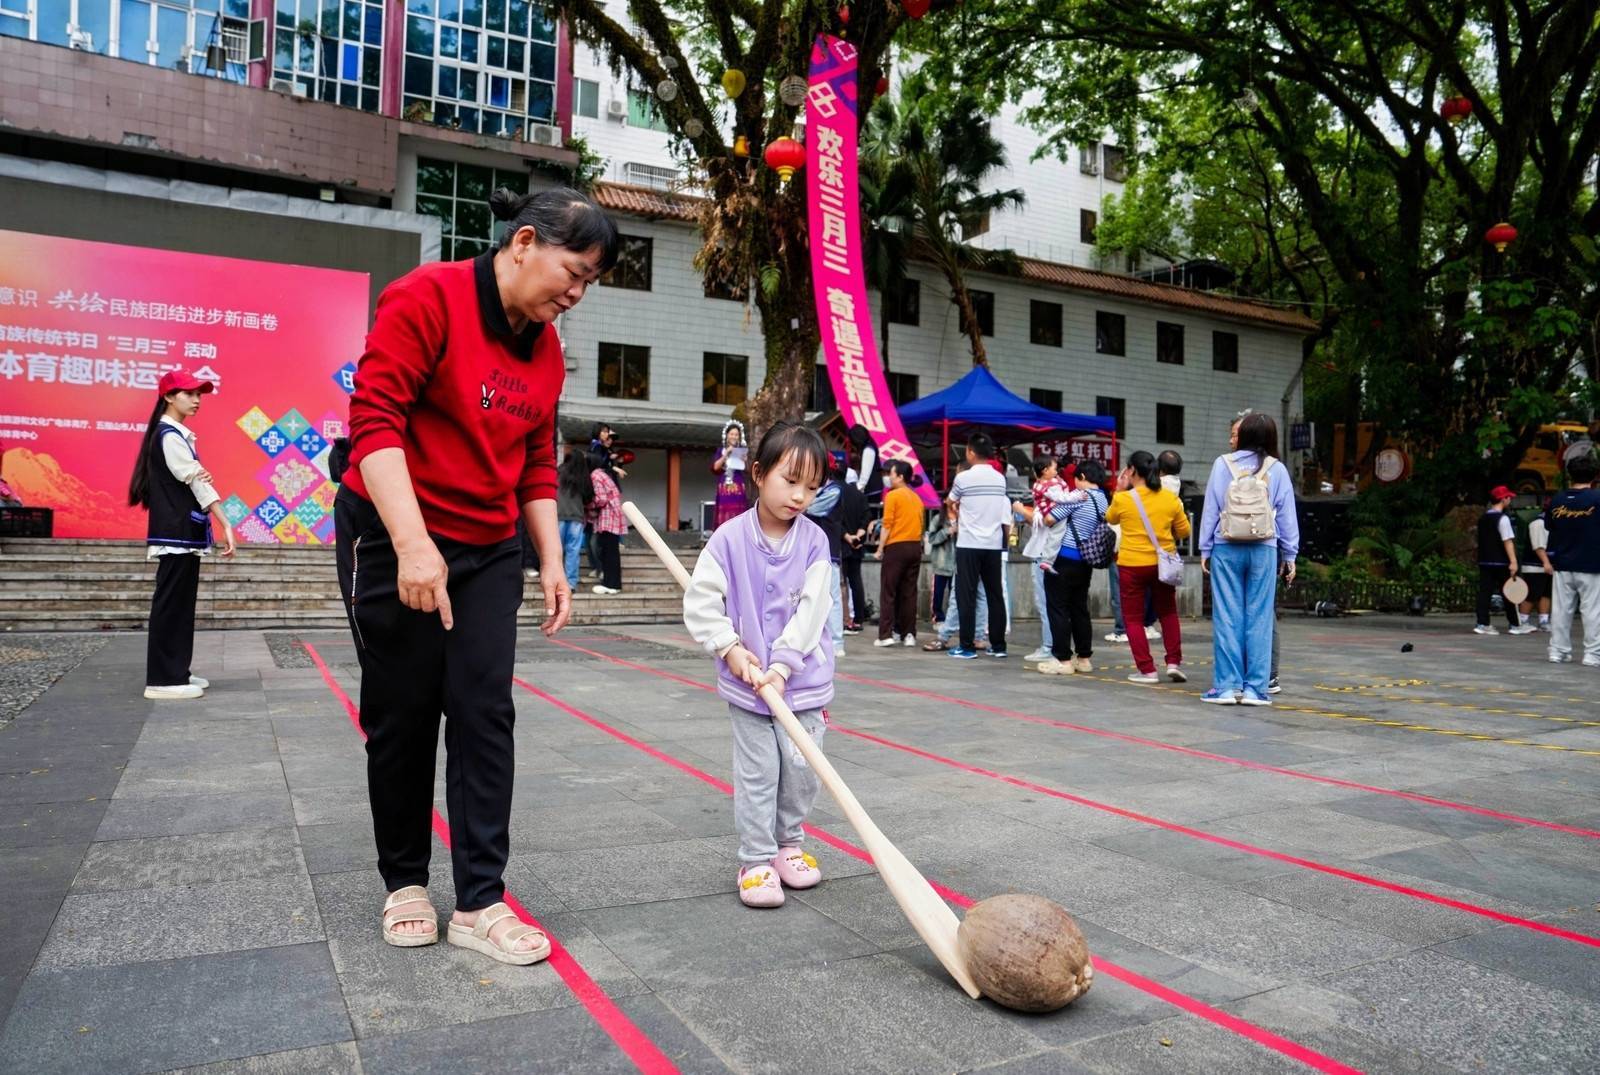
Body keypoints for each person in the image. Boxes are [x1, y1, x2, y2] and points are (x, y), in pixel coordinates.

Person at [335, 185, 616, 965]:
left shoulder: (548, 349)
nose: (576, 292)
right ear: (523, 243)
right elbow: (375, 424)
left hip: (487, 545)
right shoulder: (427, 298)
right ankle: (405, 882)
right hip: (394, 532)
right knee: (403, 711)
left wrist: (554, 559)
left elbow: (531, 460)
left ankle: (482, 901)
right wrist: (412, 540)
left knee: (485, 712)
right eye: (574, 270)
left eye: (590, 282)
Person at [683, 421, 834, 907]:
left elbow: (813, 610)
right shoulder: (727, 540)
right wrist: (729, 648)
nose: (799, 496)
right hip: (748, 686)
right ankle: (755, 857)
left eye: (811, 488)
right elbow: (702, 602)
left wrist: (785, 665)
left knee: (802, 769)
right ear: (758, 473)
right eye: (789, 481)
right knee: (758, 771)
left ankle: (789, 844)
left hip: (804, 682)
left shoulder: (814, 542)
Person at [128, 369, 238, 701]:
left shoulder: (174, 434)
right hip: (176, 534)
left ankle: (177, 672)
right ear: (168, 397)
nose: (196, 400)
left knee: (179, 606)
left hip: (182, 533)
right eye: (189, 394)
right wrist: (226, 523)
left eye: (199, 395)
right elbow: (197, 482)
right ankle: (163, 680)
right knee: (172, 606)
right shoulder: (170, 436)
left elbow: (197, 482)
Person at [1197, 414, 1299, 706]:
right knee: (1260, 616)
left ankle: (1226, 687)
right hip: (1264, 547)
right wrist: (1290, 555)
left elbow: (1211, 508)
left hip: (1226, 546)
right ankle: (1256, 688)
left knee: (1227, 616)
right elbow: (1287, 515)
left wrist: (1205, 549)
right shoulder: (1277, 469)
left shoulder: (1222, 464)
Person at [1105, 451, 1192, 683]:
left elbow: (1110, 518)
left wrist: (1119, 490)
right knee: (1168, 612)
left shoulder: (1124, 499)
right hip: (1162, 564)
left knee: (1133, 619)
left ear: (1132, 470)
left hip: (1132, 565)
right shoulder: (1169, 498)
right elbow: (1185, 531)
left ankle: (1147, 669)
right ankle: (1173, 662)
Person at [1038, 461, 1109, 675]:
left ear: (1083, 477)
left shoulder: (1079, 496)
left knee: (1058, 608)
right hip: (1085, 561)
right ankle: (1084, 658)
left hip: (1064, 558)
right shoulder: (1104, 499)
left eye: (1076, 479)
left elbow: (1049, 519)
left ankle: (1063, 660)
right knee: (1079, 608)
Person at [949, 432, 1011, 659]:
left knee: (967, 594)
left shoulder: (963, 478)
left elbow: (951, 501)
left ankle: (966, 646)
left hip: (968, 544)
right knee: (995, 595)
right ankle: (998, 645)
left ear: (971, 453)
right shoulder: (999, 478)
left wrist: (955, 511)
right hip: (993, 545)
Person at [1545, 451, 1600, 666]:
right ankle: (1592, 654)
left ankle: (1558, 651)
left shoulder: (1557, 500)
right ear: (1594, 475)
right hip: (1592, 563)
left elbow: (1551, 528)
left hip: (1563, 563)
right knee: (1592, 611)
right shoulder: (1597, 499)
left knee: (1560, 610)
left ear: (1570, 475)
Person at [1012, 455, 1064, 661]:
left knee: (1045, 602)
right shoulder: (1060, 488)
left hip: (1044, 550)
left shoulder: (1048, 490)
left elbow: (1042, 521)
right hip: (1056, 551)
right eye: (1054, 468)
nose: (1056, 471)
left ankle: (1048, 646)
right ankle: (1055, 646)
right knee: (1056, 603)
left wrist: (1020, 510)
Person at [874, 460, 926, 648]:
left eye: (891, 474)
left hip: (896, 546)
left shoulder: (893, 496)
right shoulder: (917, 498)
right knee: (909, 593)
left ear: (901, 477)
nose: (888, 477)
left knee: (888, 591)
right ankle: (909, 634)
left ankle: (886, 634)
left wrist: (880, 549)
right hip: (914, 547)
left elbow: (887, 524)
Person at [804, 451, 848, 657]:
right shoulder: (811, 489)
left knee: (832, 597)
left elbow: (812, 508)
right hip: (809, 551)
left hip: (829, 551)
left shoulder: (833, 490)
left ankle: (837, 643)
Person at [1474, 485, 1534, 635]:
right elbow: (1507, 541)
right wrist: (1513, 562)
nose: (1510, 500)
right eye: (1508, 497)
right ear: (1503, 499)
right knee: (1509, 592)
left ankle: (1482, 623)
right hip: (1501, 561)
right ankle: (1515, 624)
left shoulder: (1483, 518)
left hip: (1485, 561)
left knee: (1485, 592)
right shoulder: (1503, 519)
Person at [588, 453, 626, 594]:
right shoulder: (603, 474)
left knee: (607, 552)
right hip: (614, 516)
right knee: (612, 552)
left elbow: (601, 499)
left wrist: (589, 506)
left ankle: (610, 584)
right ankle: (614, 584)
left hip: (607, 518)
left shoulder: (595, 476)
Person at [555, 446, 593, 590]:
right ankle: (571, 583)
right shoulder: (583, 476)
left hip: (558, 516)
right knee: (573, 551)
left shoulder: (558, 472)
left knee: (556, 551)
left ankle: (556, 582)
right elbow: (589, 498)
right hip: (576, 517)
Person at [838, 473, 869, 632]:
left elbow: (835, 519)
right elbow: (866, 516)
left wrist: (846, 536)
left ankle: (844, 620)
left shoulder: (835, 492)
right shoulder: (858, 494)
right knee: (856, 582)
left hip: (841, 545)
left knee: (841, 584)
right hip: (857, 544)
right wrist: (859, 535)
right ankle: (858, 619)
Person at [1515, 503, 1553, 631]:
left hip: (1548, 565)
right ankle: (1523, 620)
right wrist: (1546, 562)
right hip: (1535, 565)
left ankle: (1544, 621)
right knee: (1532, 594)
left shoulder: (1551, 523)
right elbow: (1538, 546)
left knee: (1546, 593)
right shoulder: (1538, 523)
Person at [711, 419, 750, 530]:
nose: (734, 436)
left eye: (736, 434)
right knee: (724, 514)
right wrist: (726, 454)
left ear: (739, 437)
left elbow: (748, 470)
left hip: (738, 485)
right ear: (727, 435)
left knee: (738, 513)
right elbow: (715, 467)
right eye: (732, 434)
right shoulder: (721, 450)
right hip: (724, 486)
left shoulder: (742, 451)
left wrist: (745, 460)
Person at [926, 498, 957, 626]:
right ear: (945, 501)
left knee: (955, 594)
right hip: (941, 562)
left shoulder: (963, 518)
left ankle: (952, 620)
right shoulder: (938, 519)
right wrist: (947, 531)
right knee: (938, 593)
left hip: (957, 564)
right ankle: (938, 618)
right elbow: (932, 539)